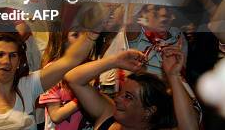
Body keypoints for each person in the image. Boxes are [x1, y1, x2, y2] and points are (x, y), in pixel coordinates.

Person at [0, 27, 97, 130]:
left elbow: (70, 60)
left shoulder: (28, 86)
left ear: (19, 61)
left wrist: (93, 33)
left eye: (13, 55)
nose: (6, 61)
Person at [65, 48, 200, 130]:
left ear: (148, 111)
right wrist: (114, 61)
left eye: (128, 97)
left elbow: (190, 128)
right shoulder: (107, 115)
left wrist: (173, 76)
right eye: (121, 92)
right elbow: (73, 79)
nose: (117, 98)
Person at [39, 28, 92, 130]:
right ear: (62, 41)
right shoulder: (52, 71)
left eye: (85, 34)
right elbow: (55, 116)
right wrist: (83, 98)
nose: (82, 39)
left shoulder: (90, 66)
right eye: (75, 35)